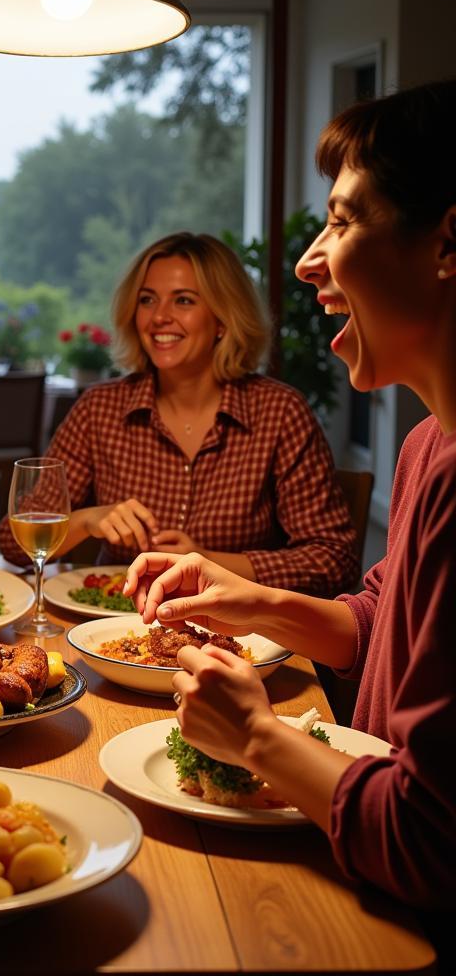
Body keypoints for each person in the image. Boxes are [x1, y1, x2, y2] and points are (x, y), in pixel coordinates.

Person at [124, 80, 456, 913]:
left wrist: (256, 738)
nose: (310, 260)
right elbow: (379, 626)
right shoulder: (428, 445)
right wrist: (256, 601)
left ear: (448, 243)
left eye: (342, 222)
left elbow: (432, 847)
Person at [0, 232, 359, 597]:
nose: (159, 317)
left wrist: (207, 561)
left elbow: (334, 561)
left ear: (222, 319)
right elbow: (14, 545)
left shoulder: (280, 413)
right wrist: (87, 519)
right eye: (147, 300)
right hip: (108, 627)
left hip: (235, 634)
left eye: (183, 300)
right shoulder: (99, 409)